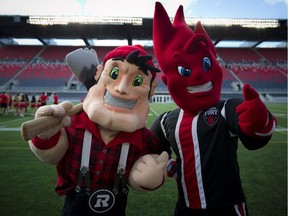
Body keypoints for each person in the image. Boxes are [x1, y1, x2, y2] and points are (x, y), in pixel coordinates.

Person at [151, 2, 277, 216]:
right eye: (184, 69)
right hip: (185, 208)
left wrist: (258, 120)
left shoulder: (226, 109)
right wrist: (163, 166)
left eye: (207, 64)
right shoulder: (167, 121)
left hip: (227, 208)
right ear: (166, 79)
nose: (199, 75)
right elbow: (149, 151)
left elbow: (254, 137)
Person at [27, 45, 168, 216]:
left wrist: (150, 175)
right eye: (114, 74)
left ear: (151, 90)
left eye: (137, 81)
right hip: (75, 205)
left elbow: (153, 162)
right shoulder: (74, 122)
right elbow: (52, 154)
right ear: (99, 74)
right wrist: (47, 134)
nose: (122, 88)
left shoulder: (144, 138)